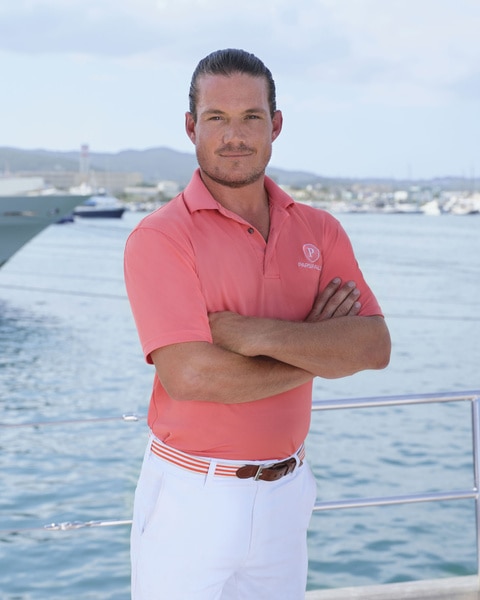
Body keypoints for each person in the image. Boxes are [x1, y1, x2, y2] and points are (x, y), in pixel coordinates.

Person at [124, 48, 391, 600]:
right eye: (217, 118)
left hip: (288, 493)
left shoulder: (321, 229)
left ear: (276, 125)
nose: (234, 135)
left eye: (250, 117)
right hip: (192, 496)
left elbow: (373, 345)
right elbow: (192, 378)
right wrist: (317, 347)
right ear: (191, 127)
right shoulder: (160, 238)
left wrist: (254, 335)